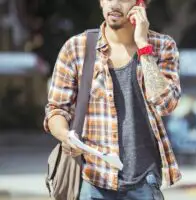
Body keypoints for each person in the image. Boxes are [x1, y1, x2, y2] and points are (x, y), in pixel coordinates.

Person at [43, 0, 182, 199]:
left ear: (140, 3)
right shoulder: (76, 48)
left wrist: (143, 45)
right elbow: (56, 110)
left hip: (143, 182)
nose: (114, 4)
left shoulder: (162, 46)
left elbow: (167, 104)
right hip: (92, 181)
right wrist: (66, 136)